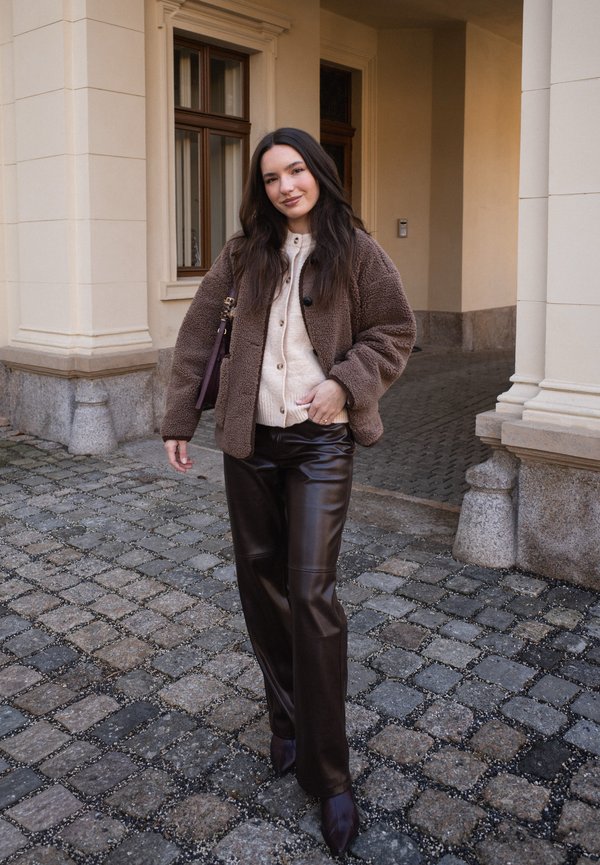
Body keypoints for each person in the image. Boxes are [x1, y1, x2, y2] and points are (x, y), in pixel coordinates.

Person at [162, 127, 416, 855]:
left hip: (319, 446)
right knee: (261, 586)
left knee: (310, 593)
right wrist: (181, 416)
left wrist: (346, 383)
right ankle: (285, 719)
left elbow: (395, 330)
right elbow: (196, 334)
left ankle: (329, 774)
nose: (285, 185)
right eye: (271, 176)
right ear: (261, 188)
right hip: (249, 444)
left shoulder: (356, 249)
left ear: (318, 173)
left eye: (296, 169)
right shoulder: (243, 253)